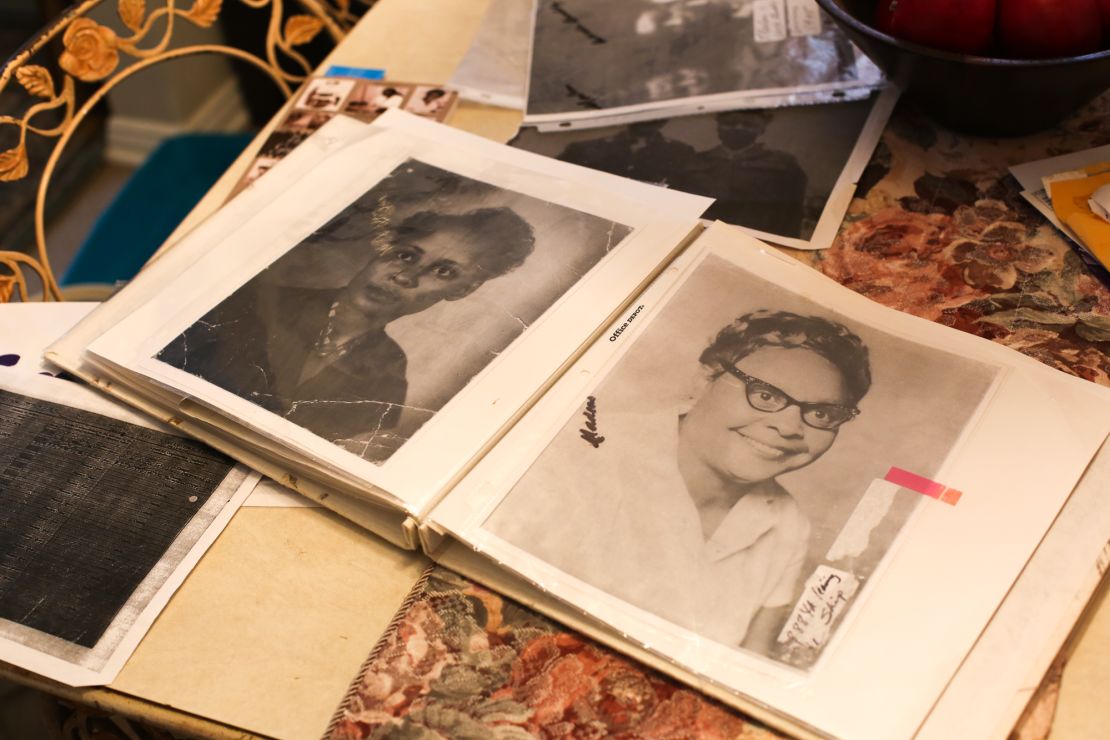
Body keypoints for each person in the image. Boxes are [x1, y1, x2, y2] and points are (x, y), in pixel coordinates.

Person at [488, 310, 870, 654]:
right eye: (765, 394)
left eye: (821, 413)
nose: (788, 427)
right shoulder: (577, 456)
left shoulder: (789, 524)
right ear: (705, 378)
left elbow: (749, 660)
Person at [158, 207, 535, 461]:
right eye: (406, 255)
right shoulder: (253, 303)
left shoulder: (388, 378)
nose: (405, 277)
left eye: (444, 272)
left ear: (461, 291)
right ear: (381, 249)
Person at [690, 110, 808, 237]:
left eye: (749, 124)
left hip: (755, 240)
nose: (738, 128)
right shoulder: (695, 160)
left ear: (762, 128)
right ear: (718, 126)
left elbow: (791, 215)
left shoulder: (784, 164)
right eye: (730, 123)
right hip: (701, 235)